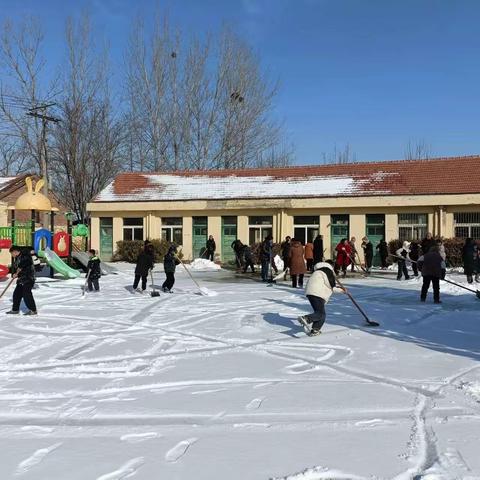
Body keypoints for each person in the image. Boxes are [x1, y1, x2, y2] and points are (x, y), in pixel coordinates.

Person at [297, 260, 347, 336]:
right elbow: (332, 287)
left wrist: (339, 288)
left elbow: (327, 284)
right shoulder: (327, 271)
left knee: (321, 313)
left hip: (310, 292)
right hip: (318, 293)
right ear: (331, 266)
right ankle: (307, 318)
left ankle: (315, 329)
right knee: (320, 314)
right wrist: (342, 290)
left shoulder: (319, 271)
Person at [6, 246, 37, 315]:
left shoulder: (25, 254)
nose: (12, 255)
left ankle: (33, 310)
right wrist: (16, 274)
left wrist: (20, 267)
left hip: (28, 278)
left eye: (11, 253)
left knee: (26, 294)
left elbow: (27, 261)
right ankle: (15, 309)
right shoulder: (17, 258)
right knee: (16, 294)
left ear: (15, 251)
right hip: (21, 279)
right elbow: (18, 268)